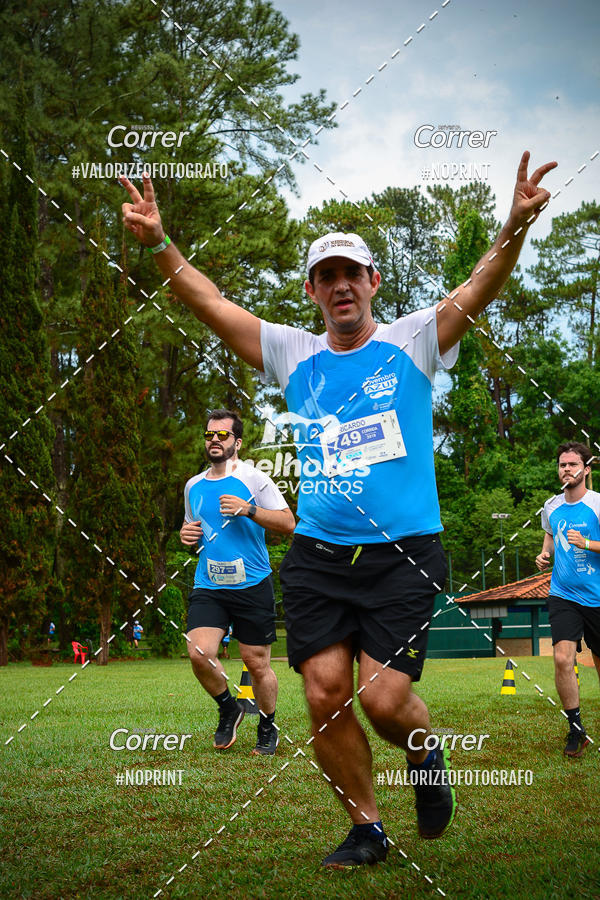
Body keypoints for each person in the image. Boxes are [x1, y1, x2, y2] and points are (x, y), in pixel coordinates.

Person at [121, 151, 555, 867]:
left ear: (373, 281)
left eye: (353, 272)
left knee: (384, 703)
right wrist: (163, 245)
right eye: (328, 276)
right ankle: (367, 828)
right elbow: (212, 304)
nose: (342, 286)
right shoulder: (293, 353)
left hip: (403, 555)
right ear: (314, 292)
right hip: (319, 556)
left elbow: (480, 286)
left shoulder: (412, 339)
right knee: (323, 696)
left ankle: (424, 755)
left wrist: (513, 225)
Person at [180, 409, 295, 755]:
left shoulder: (254, 479)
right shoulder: (193, 486)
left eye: (222, 435)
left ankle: (267, 723)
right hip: (209, 584)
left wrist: (249, 510)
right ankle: (229, 707)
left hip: (252, 584)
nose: (214, 439)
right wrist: (187, 538)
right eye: (209, 434)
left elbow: (289, 523)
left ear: (237, 442)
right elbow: (197, 535)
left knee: (257, 662)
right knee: (199, 654)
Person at [536, 441, 600, 757]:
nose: (566, 470)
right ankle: (576, 730)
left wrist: (587, 543)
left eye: (573, 464)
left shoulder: (598, 504)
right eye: (562, 464)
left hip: (598, 597)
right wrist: (544, 553)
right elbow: (550, 534)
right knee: (562, 658)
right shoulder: (551, 505)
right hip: (563, 594)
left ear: (586, 469)